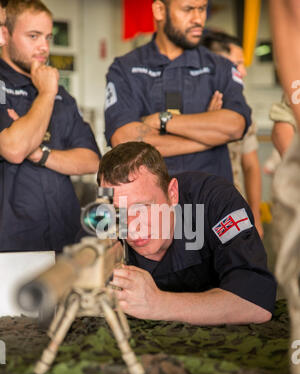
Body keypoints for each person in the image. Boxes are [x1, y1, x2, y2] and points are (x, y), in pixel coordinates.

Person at [98, 141, 276, 325]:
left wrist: (157, 303)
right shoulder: (104, 220)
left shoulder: (215, 201)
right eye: (119, 212)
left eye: (142, 208)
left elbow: (255, 303)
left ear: (172, 193)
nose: (132, 228)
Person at [104, 0, 252, 181]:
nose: (198, 19)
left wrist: (162, 120)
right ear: (159, 10)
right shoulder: (125, 68)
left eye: (202, 9)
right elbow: (124, 140)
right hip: (150, 202)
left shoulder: (220, 67)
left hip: (210, 199)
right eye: (188, 9)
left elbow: (234, 127)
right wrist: (208, 139)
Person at [0, 0, 101, 252]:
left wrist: (39, 153)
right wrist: (45, 94)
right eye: (33, 36)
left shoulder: (62, 95)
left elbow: (91, 160)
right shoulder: (48, 89)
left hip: (65, 236)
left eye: (47, 37)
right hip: (11, 244)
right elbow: (13, 148)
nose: (43, 47)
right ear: (4, 34)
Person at [201, 31, 263, 238]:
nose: (243, 72)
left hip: (235, 211)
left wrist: (256, 215)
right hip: (196, 212)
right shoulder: (187, 109)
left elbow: (251, 165)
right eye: (236, 65)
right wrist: (207, 123)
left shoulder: (242, 111)